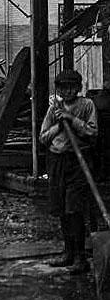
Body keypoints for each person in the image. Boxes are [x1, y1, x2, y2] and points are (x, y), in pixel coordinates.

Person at [39, 69, 98, 274]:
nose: (68, 91)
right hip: (57, 160)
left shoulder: (86, 105)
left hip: (78, 161)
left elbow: (92, 132)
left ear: (79, 88)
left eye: (72, 87)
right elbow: (43, 137)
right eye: (63, 87)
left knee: (74, 208)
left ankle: (81, 258)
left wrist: (71, 119)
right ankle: (68, 253)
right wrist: (59, 125)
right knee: (61, 208)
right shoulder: (54, 109)